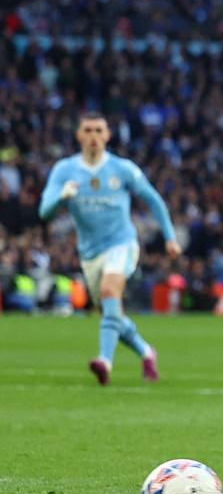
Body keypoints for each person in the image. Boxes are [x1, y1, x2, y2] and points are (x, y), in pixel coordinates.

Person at [38, 113, 181, 385]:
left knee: (108, 292)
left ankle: (105, 361)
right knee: (110, 313)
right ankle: (146, 352)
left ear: (107, 135)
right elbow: (44, 212)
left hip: (122, 244)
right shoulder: (64, 170)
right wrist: (61, 197)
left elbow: (154, 200)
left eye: (98, 130)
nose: (93, 136)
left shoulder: (122, 168)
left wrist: (170, 237)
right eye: (88, 130)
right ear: (79, 135)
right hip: (90, 253)